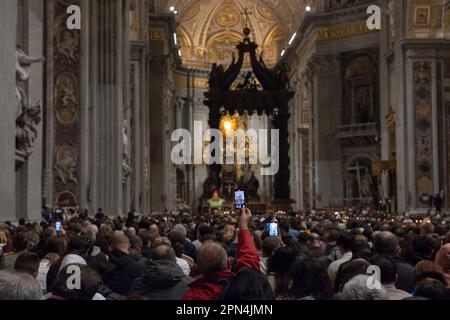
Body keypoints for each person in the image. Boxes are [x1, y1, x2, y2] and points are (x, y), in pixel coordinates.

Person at [183, 207, 260, 300]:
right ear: (228, 263)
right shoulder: (243, 287)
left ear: (198, 267)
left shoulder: (193, 296)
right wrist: (243, 227)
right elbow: (249, 260)